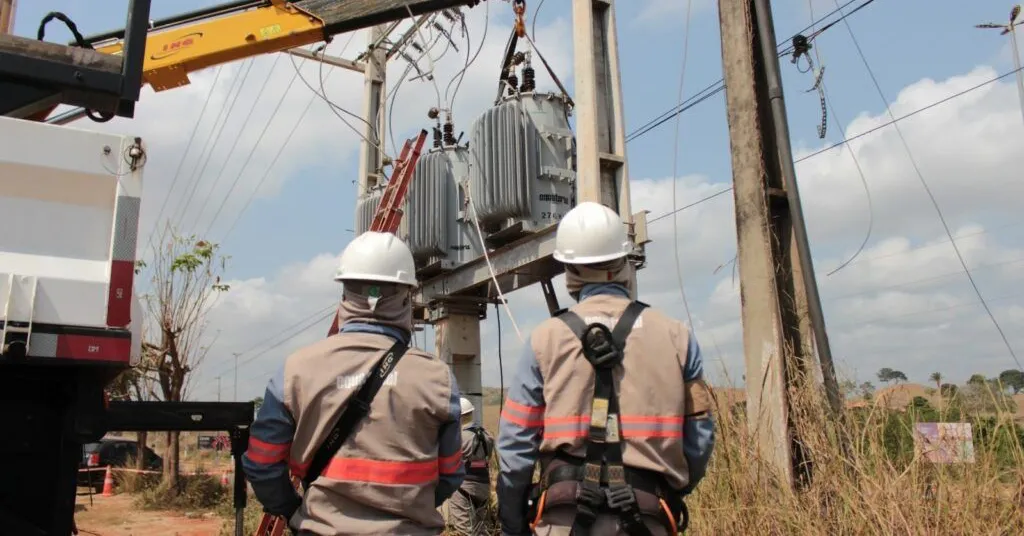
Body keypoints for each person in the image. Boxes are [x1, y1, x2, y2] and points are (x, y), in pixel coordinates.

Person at [496, 202, 715, 536]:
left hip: (562, 519)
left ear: (568, 269)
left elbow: (515, 446)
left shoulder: (544, 340)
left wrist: (513, 519)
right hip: (650, 516)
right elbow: (700, 440)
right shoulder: (677, 337)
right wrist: (670, 491)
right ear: (626, 261)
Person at [242, 231, 465, 535]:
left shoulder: (294, 372)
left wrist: (295, 511)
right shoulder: (438, 379)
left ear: (345, 295)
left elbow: (261, 463)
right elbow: (451, 476)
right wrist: (411, 510)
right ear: (405, 298)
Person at [446, 397, 495, 535]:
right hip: (483, 487)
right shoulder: (487, 435)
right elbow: (485, 460)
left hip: (462, 488)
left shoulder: (458, 437)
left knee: (466, 531)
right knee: (482, 528)